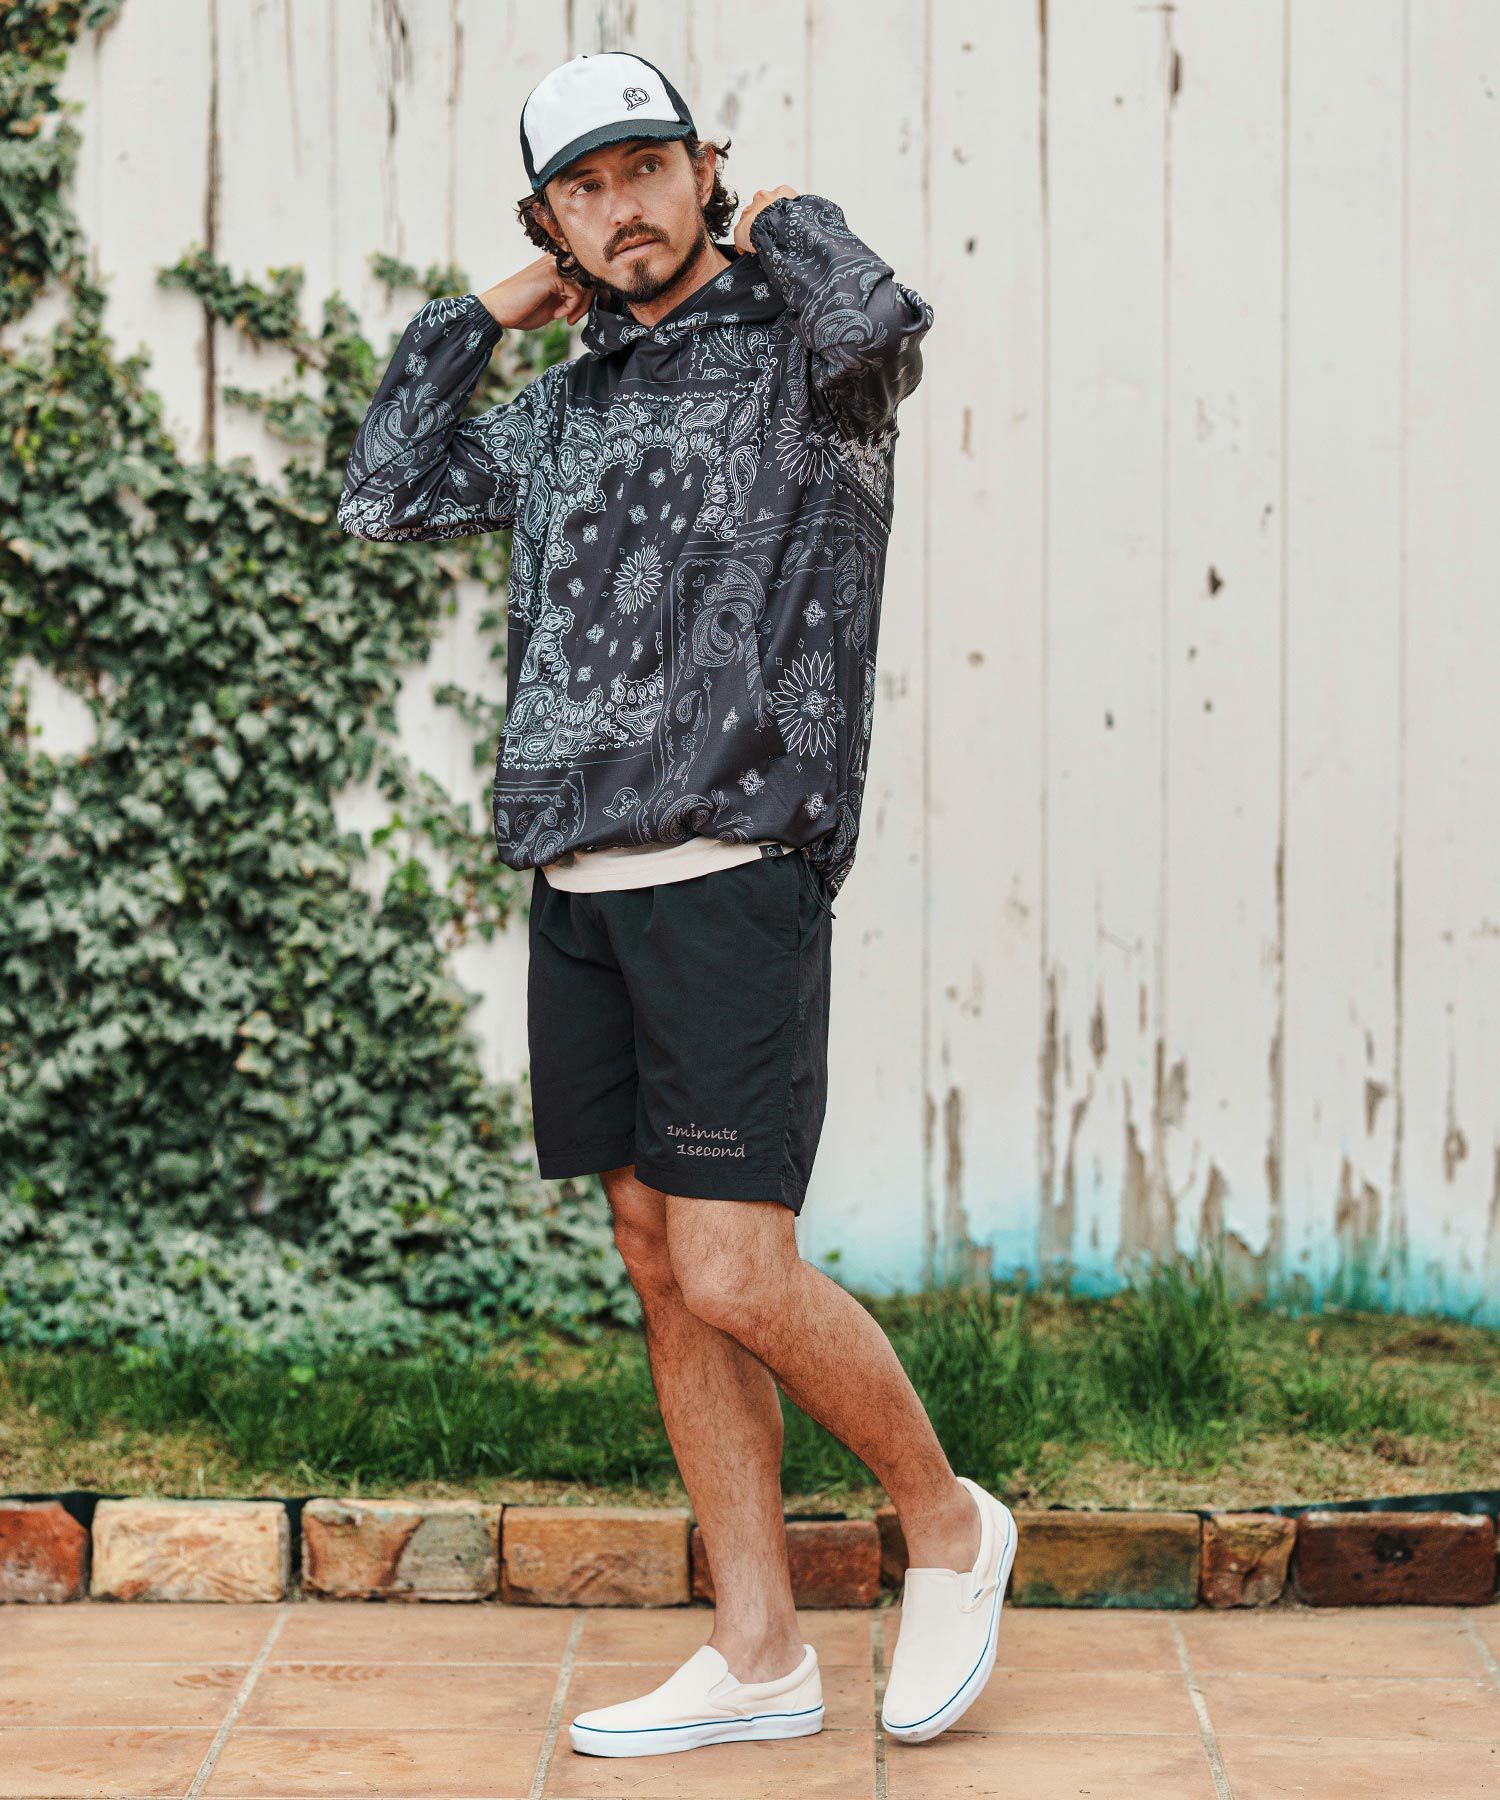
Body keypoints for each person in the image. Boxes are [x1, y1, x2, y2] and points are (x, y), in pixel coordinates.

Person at [338, 47, 1017, 1756]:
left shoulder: (807, 357)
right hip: (579, 874)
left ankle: (948, 1523)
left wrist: (792, 221)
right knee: (657, 1259)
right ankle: (759, 1650)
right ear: (550, 222)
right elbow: (384, 491)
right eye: (583, 188)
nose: (622, 207)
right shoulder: (565, 408)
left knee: (734, 1266)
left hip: (736, 864)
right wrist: (490, 311)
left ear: (704, 166)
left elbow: (884, 324)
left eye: (646, 167)